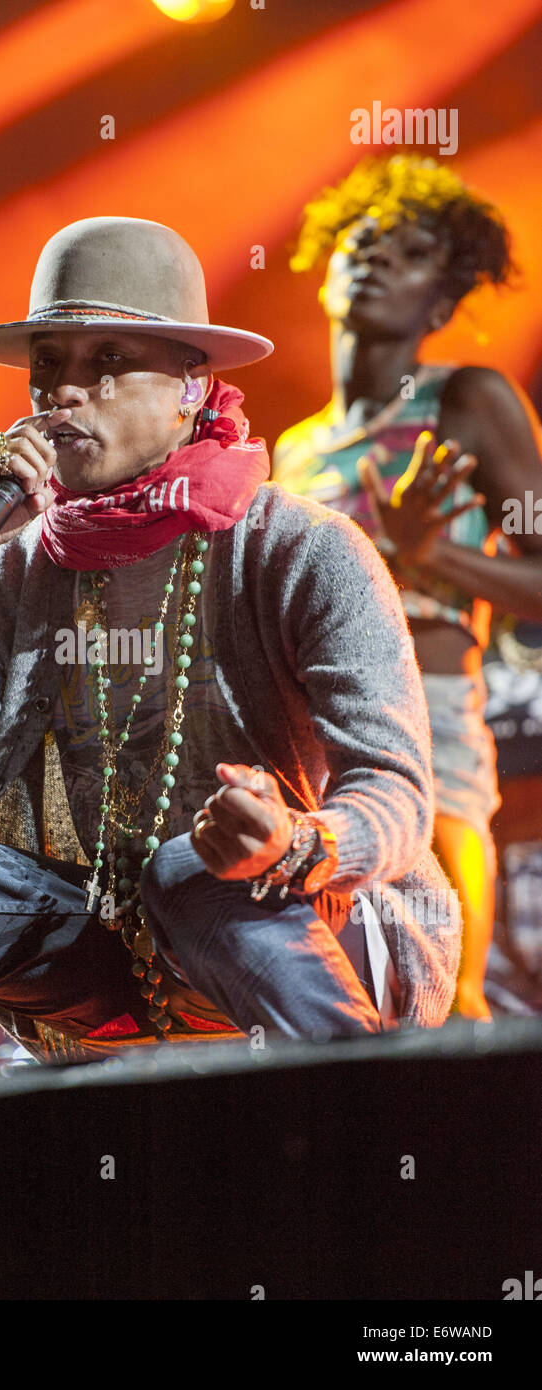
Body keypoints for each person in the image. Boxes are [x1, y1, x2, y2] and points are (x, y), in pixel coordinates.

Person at [0, 215, 460, 1073]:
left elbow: (399, 798)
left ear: (191, 384)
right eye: (49, 368)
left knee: (190, 871)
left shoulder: (300, 548)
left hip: (285, 920)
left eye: (106, 362)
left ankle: (373, 1112)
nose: (63, 394)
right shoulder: (5, 570)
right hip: (91, 938)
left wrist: (295, 843)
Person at [272, 154, 542, 1020]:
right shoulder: (294, 453)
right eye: (363, 237)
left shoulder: (467, 400)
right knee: (331, 987)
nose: (376, 255)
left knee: (444, 983)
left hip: (427, 720)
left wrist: (429, 552)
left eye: (409, 250)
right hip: (308, 742)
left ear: (440, 301)